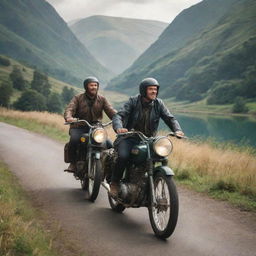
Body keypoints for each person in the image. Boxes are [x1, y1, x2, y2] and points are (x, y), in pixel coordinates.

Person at [110, 77, 184, 196]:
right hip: (130, 137)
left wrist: (177, 130)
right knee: (123, 156)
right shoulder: (133, 101)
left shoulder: (159, 103)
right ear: (144, 90)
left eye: (155, 89)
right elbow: (119, 116)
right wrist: (119, 128)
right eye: (151, 89)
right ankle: (114, 182)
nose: (154, 91)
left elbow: (169, 118)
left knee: (159, 157)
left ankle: (150, 180)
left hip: (149, 139)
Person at [64, 76, 116, 172]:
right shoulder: (78, 98)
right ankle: (73, 163)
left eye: (95, 85)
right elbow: (70, 108)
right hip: (79, 126)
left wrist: (118, 118)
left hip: (96, 127)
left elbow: (111, 111)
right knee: (74, 140)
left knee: (109, 144)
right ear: (86, 87)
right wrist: (69, 117)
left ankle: (109, 167)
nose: (94, 87)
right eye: (91, 85)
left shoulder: (102, 99)